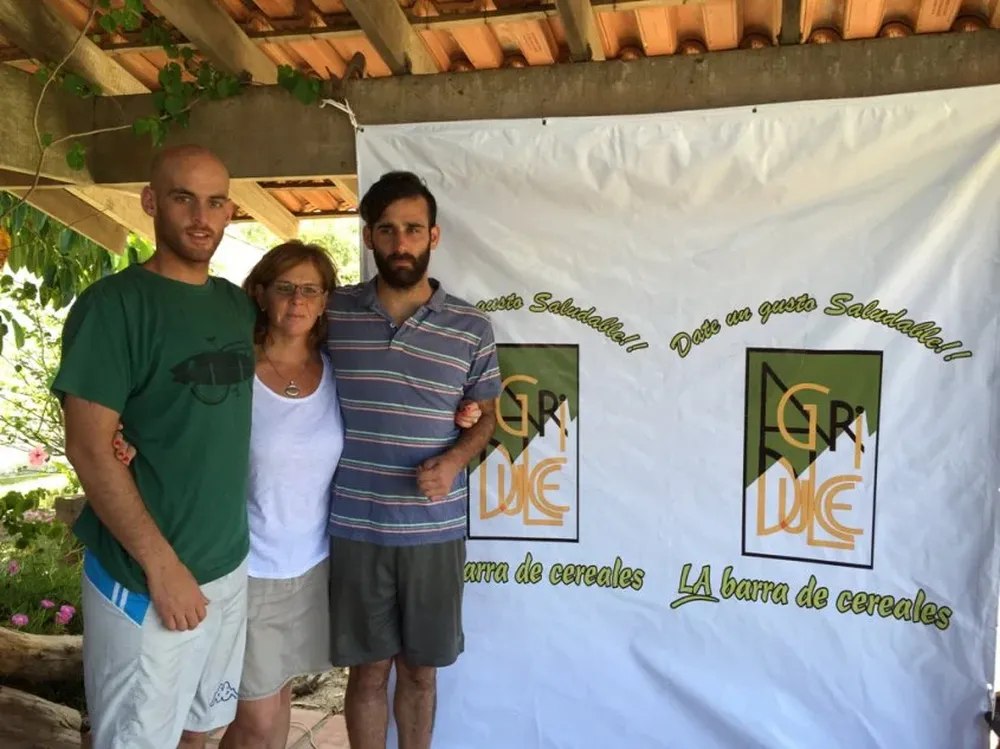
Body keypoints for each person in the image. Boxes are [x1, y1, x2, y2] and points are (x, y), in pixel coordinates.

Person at [110, 240, 483, 749]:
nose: (297, 300)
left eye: (310, 289)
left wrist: (466, 414)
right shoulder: (233, 364)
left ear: (326, 299)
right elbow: (174, 403)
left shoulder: (334, 365)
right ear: (261, 293)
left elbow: (415, 394)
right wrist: (124, 433)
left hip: (314, 565)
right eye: (284, 288)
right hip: (250, 567)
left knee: (277, 707)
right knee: (253, 720)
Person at [53, 144, 255, 749]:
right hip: (146, 580)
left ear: (229, 211)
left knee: (203, 729)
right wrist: (161, 567)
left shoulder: (234, 304)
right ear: (150, 202)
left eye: (215, 202)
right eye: (183, 198)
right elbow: (89, 449)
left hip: (225, 566)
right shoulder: (114, 307)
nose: (201, 216)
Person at [325, 171, 502, 749]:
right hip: (355, 528)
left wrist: (453, 461)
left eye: (413, 230)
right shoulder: (333, 314)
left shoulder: (472, 327)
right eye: (388, 231)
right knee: (369, 672)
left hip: (434, 532)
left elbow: (488, 416)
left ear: (435, 235)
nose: (401, 244)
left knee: (421, 672)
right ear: (369, 236)